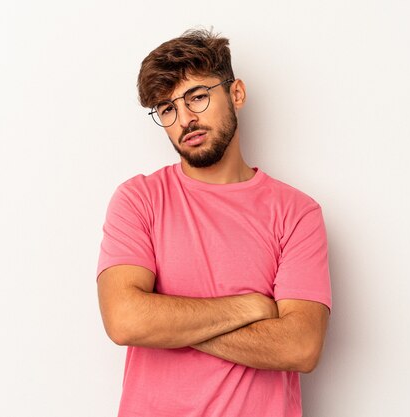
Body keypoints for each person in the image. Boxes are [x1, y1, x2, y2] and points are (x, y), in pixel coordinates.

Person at [97, 28, 332, 417]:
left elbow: (300, 347)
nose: (185, 119)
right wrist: (252, 307)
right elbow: (125, 320)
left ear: (235, 93)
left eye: (198, 97)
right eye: (167, 109)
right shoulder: (139, 200)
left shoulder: (297, 213)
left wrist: (167, 323)